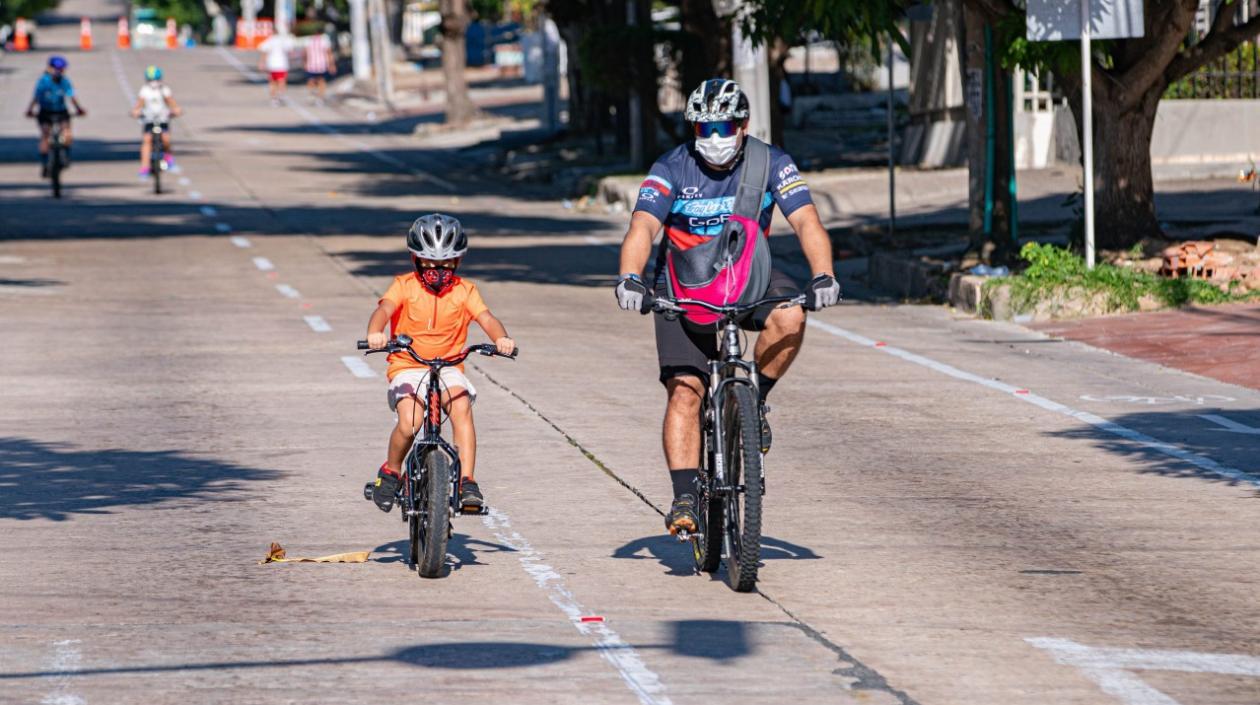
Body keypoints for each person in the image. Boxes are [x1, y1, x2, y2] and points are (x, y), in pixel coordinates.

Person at [614, 78, 842, 536]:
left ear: (744, 124)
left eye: (725, 127)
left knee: (791, 315)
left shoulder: (772, 162)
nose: (715, 138)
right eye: (704, 128)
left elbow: (806, 221)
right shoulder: (671, 167)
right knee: (685, 390)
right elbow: (642, 227)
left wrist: (823, 274)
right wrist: (631, 278)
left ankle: (753, 397)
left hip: (747, 274)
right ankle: (683, 497)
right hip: (683, 283)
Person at [365, 214, 516, 513]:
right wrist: (375, 332)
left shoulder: (465, 290)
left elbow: (486, 318)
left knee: (461, 407)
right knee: (410, 424)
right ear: (415, 259)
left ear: (457, 262)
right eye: (430, 264)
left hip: (448, 365)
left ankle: (467, 482)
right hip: (408, 364)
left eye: (446, 265)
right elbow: (385, 310)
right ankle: (392, 471)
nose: (438, 271)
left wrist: (502, 338)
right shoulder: (404, 286)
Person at [25, 56, 86, 177]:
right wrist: (30, 110)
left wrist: (79, 109)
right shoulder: (43, 81)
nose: (59, 71)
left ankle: (66, 156)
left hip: (61, 111)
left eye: (61, 69)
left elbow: (71, 96)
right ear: (49, 68)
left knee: (67, 132)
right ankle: (45, 163)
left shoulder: (64, 81)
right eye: (56, 68)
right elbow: (36, 97)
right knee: (45, 135)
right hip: (45, 111)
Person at [130, 65, 183, 179]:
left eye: (156, 79)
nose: (154, 82)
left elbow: (171, 102)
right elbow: (139, 104)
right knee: (147, 141)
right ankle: (145, 167)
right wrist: (136, 111)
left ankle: (168, 158)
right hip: (149, 118)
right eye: (151, 80)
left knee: (166, 139)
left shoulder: (164, 89)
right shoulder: (145, 90)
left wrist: (176, 110)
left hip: (162, 118)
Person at [257, 32, 294, 105]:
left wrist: (262, 62)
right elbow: (290, 50)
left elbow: (263, 50)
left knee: (273, 82)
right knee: (281, 81)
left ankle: (274, 98)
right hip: (282, 64)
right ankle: (280, 95)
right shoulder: (284, 40)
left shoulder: (270, 40)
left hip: (272, 64)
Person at [303, 29, 337, 105]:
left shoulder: (309, 41)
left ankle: (313, 95)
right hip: (322, 65)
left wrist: (305, 63)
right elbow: (329, 53)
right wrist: (332, 65)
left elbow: (304, 54)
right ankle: (320, 97)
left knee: (311, 80)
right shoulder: (324, 41)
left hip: (312, 65)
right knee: (321, 81)